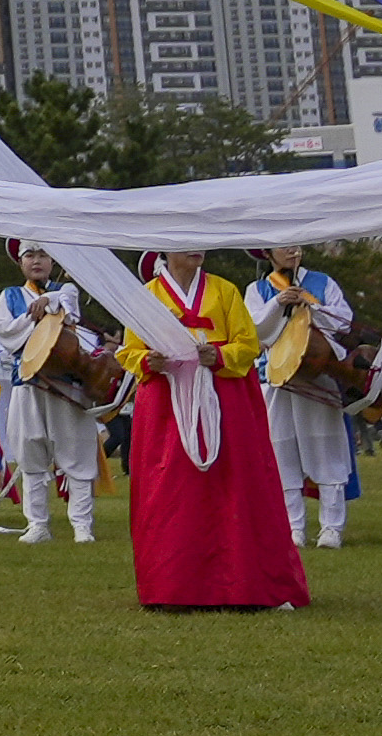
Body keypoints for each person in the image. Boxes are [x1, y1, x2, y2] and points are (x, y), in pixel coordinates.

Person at [128, 258, 309, 614]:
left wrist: (220, 354)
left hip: (226, 398)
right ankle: (172, 586)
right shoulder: (147, 296)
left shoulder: (224, 290)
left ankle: (244, 584)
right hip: (167, 405)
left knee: (235, 484)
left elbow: (248, 343)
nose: (196, 249)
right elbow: (129, 350)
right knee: (173, 490)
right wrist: (149, 361)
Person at [0, 248, 112, 545]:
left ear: (53, 261)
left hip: (66, 383)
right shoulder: (9, 295)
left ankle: (82, 525)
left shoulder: (66, 289)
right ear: (20, 262)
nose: (36, 261)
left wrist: (49, 300)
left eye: (43, 255)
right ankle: (37, 524)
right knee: (30, 452)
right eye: (29, 255)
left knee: (76, 453)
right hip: (27, 381)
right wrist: (33, 321)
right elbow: (3, 332)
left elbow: (70, 309)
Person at [252, 248, 366, 554]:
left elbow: (344, 322)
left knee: (326, 449)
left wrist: (312, 306)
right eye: (285, 244)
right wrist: (277, 303)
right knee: (282, 450)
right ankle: (293, 527)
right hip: (276, 377)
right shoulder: (257, 290)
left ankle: (332, 527)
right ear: (268, 252)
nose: (293, 250)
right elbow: (252, 329)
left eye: (297, 243)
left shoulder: (322, 282)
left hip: (319, 373)